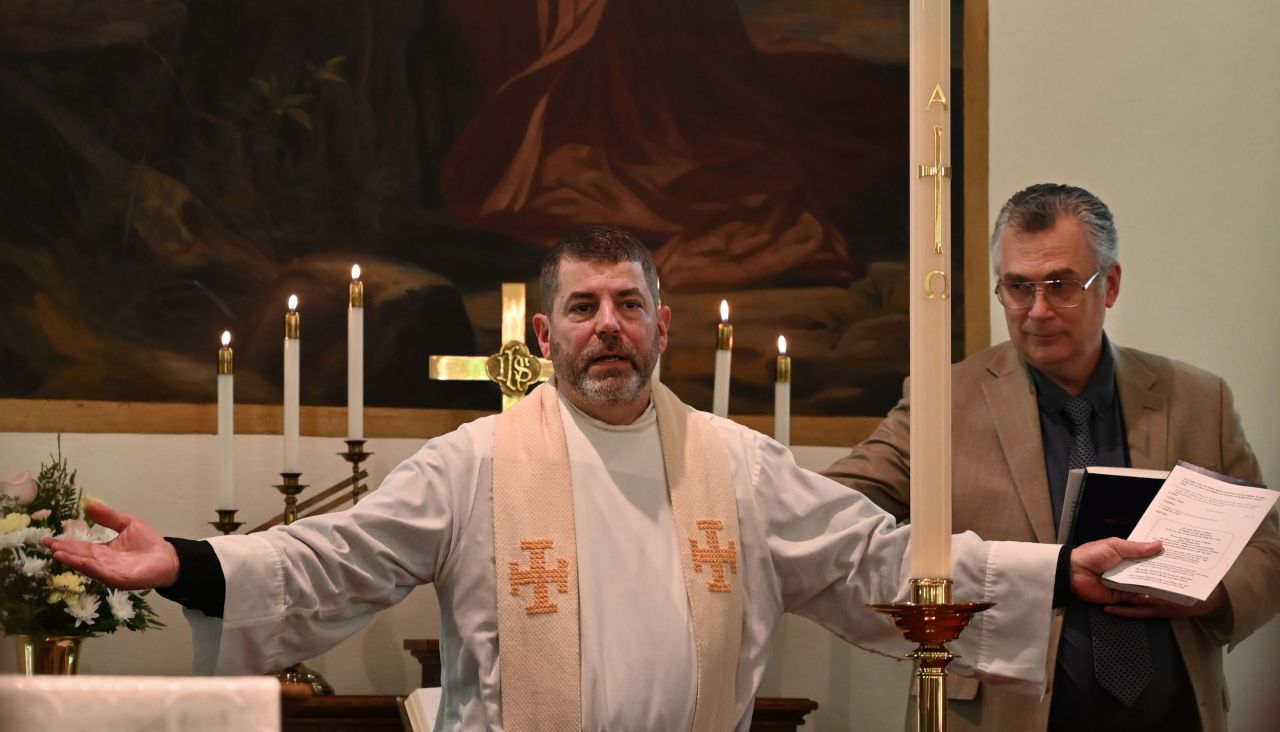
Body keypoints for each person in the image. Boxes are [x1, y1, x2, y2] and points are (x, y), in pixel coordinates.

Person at [50, 225, 1161, 732]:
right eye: (581, 308)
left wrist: (1063, 574)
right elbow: (329, 560)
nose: (607, 328)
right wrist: (188, 563)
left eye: (627, 304)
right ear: (545, 333)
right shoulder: (473, 464)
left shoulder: (740, 466)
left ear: (663, 325)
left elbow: (883, 562)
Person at [825, 184, 1280, 732]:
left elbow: (1268, 549)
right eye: (1018, 287)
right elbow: (832, 506)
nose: (1036, 311)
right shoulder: (943, 402)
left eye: (1060, 285)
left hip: (1173, 713)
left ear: (1109, 285)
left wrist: (1209, 597)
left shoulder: (1199, 400)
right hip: (1001, 714)